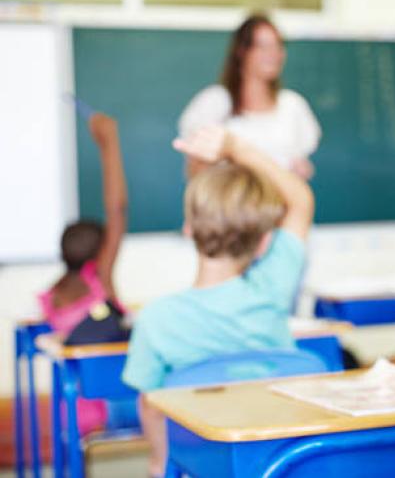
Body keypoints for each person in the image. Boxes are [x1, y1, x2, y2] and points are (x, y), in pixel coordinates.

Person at [122, 125, 314, 476]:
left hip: (205, 465)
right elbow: (300, 200)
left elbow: (151, 407)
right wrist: (236, 147)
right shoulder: (273, 288)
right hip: (278, 459)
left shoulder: (157, 318)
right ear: (264, 243)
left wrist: (158, 463)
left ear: (188, 228)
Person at [39, 111, 129, 435]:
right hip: (112, 405)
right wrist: (109, 145)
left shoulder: (51, 297)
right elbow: (117, 209)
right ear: (99, 255)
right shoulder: (99, 283)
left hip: (71, 412)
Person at [178, 14, 321, 179]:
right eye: (262, 46)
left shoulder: (292, 105)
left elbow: (300, 170)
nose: (273, 54)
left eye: (278, 45)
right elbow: (195, 170)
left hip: (278, 203)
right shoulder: (214, 101)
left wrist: (301, 170)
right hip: (228, 203)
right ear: (242, 50)